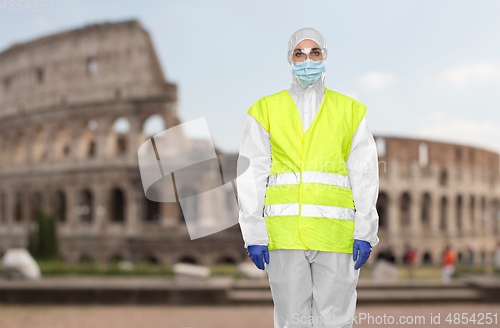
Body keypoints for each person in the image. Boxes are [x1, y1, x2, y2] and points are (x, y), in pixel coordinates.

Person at [236, 28, 380, 328]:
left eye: (314, 53)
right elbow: (251, 174)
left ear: (325, 57)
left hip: (336, 234)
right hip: (284, 234)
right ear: (289, 59)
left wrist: (365, 230)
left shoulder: (351, 111)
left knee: (336, 320)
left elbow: (364, 174)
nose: (307, 61)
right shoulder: (265, 110)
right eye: (299, 54)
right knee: (292, 321)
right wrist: (254, 233)